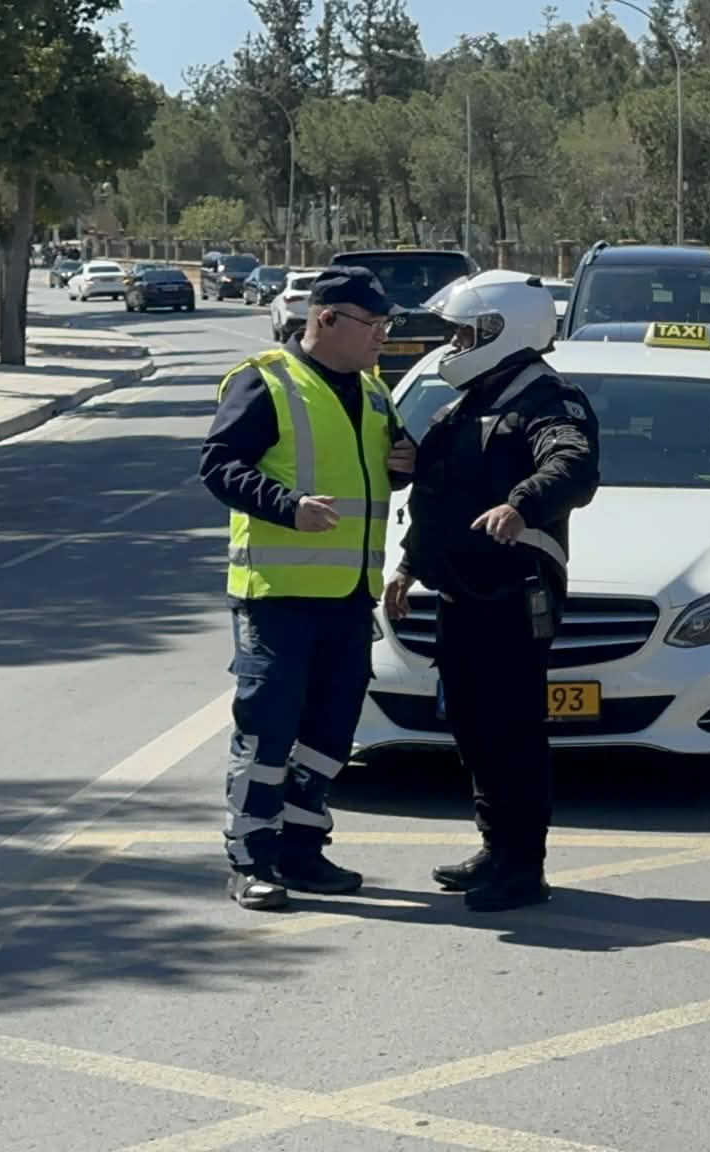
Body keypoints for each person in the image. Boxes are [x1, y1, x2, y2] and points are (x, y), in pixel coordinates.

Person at [198, 266, 417, 911]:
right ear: (325, 319)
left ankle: (301, 848)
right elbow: (218, 465)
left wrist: (406, 463)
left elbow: (383, 469)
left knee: (330, 733)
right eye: (372, 325)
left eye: (386, 325)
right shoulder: (265, 381)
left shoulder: (375, 393)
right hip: (279, 595)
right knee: (267, 730)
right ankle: (250, 858)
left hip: (350, 595)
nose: (383, 337)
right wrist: (286, 506)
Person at [383, 270, 599, 913]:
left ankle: (522, 866)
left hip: (513, 593)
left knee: (512, 730)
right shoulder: (470, 402)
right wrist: (408, 567)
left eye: (463, 333)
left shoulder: (549, 400)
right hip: (462, 592)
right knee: (474, 727)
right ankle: (494, 846)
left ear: (502, 330)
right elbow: (440, 495)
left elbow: (573, 463)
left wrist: (523, 505)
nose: (452, 344)